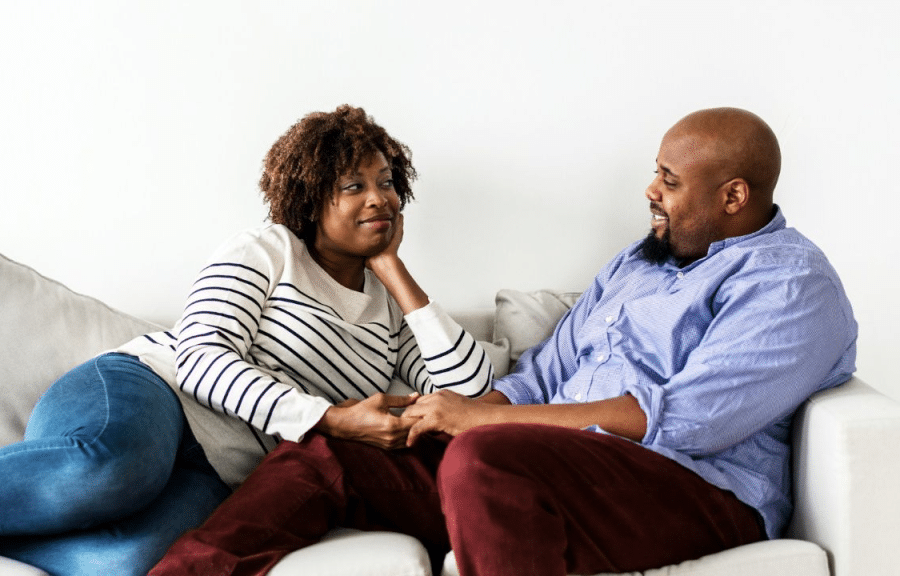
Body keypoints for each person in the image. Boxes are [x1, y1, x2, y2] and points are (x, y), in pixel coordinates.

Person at [148, 107, 859, 576]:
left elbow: (688, 419)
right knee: (338, 449)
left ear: (733, 197)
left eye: (670, 181)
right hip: (553, 466)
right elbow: (540, 378)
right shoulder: (638, 263)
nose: (651, 190)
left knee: (489, 455)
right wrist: (446, 411)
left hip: (688, 487)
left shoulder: (791, 284)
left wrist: (483, 421)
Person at [0, 104, 494, 576]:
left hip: (219, 469)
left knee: (124, 564)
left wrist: (394, 271)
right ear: (309, 198)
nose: (378, 197)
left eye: (386, 182)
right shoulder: (268, 249)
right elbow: (199, 359)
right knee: (107, 469)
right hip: (149, 391)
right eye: (353, 186)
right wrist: (330, 419)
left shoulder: (391, 310)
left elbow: (472, 392)